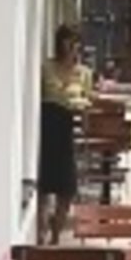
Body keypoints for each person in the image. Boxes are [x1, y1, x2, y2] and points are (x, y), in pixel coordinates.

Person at [38, 24, 93, 246]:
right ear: (59, 43)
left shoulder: (84, 73)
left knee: (66, 187)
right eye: (68, 41)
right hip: (47, 126)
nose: (72, 47)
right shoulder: (47, 67)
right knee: (43, 185)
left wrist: (86, 124)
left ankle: (55, 234)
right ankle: (41, 231)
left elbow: (87, 102)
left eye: (76, 42)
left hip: (67, 129)